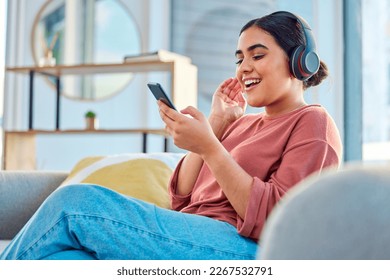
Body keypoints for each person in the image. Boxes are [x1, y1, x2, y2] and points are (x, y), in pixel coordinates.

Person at [0, 11, 342, 260]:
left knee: (74, 205)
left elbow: (275, 219)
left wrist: (209, 146)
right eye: (239, 59)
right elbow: (181, 199)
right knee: (65, 260)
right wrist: (217, 126)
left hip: (244, 247)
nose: (243, 68)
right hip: (195, 234)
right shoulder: (242, 125)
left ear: (300, 63)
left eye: (257, 55)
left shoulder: (313, 123)